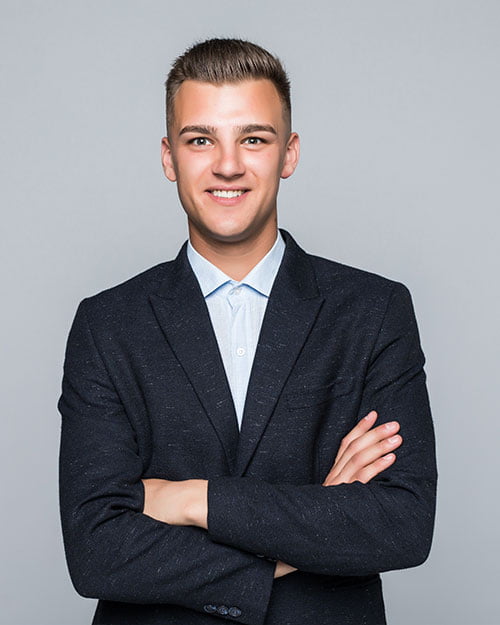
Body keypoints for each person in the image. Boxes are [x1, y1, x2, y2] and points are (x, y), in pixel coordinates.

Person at [58, 38, 437, 625]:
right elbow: (96, 552)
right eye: (200, 140)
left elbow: (401, 525)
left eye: (253, 139)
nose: (228, 165)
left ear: (289, 153)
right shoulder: (106, 325)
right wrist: (314, 523)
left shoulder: (374, 311)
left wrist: (191, 499)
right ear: (169, 158)